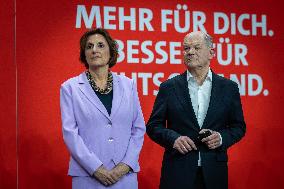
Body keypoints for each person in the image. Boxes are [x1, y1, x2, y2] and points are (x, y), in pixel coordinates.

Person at [146, 31, 246, 189]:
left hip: (214, 172)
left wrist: (220, 138)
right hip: (178, 171)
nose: (190, 52)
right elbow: (153, 126)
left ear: (211, 53)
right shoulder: (169, 87)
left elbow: (238, 127)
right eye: (186, 48)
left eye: (196, 47)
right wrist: (173, 139)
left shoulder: (229, 88)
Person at [60, 28, 145, 189]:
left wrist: (125, 165)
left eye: (100, 45)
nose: (94, 50)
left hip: (125, 176)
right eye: (89, 46)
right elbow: (70, 133)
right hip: (88, 176)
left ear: (111, 51)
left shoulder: (128, 85)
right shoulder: (70, 88)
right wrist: (96, 168)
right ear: (84, 54)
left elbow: (138, 128)